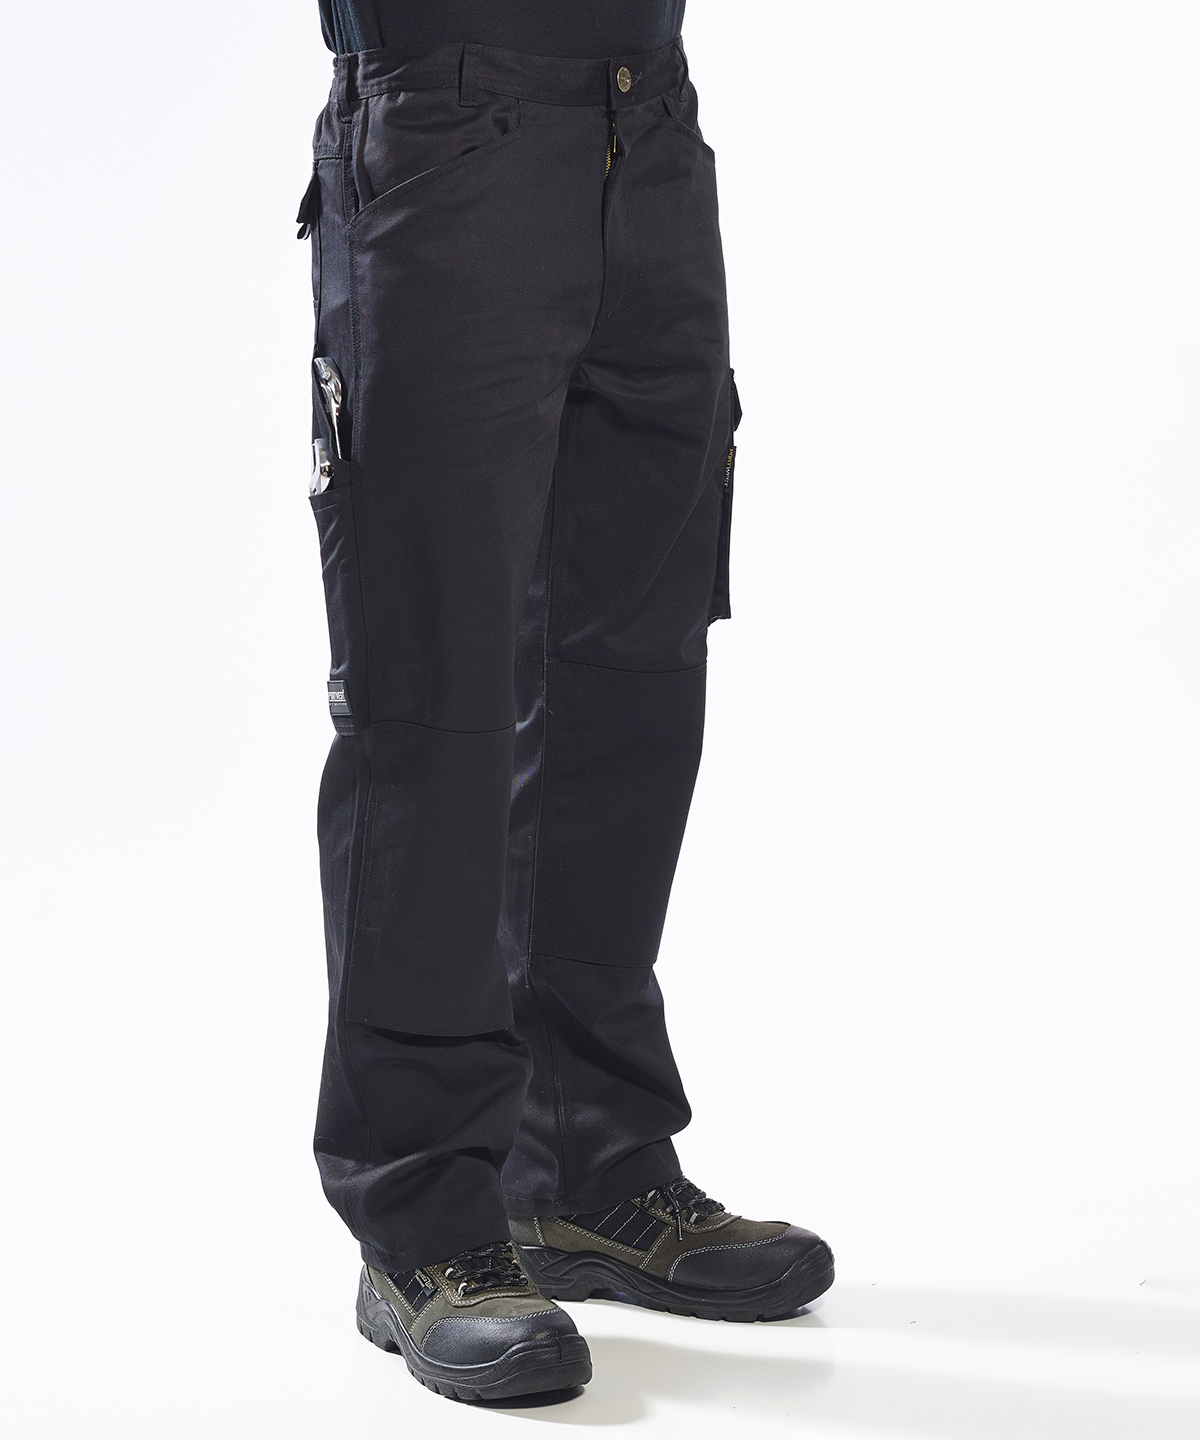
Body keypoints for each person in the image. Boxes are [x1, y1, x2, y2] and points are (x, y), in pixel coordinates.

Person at [299, 0, 834, 1402]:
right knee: (435, 698)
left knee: (630, 675)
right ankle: (421, 1219)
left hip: (648, 125)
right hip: (442, 129)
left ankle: (584, 1164)